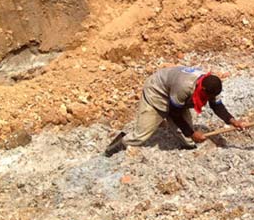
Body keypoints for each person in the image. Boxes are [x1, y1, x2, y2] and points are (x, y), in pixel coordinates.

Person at [105, 66, 246, 156]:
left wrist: (232, 121)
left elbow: (217, 105)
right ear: (202, 90)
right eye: (208, 97)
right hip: (157, 93)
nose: (209, 99)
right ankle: (113, 149)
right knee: (141, 135)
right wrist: (192, 132)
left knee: (188, 140)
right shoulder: (184, 87)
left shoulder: (210, 85)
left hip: (175, 97)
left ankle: (187, 149)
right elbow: (174, 113)